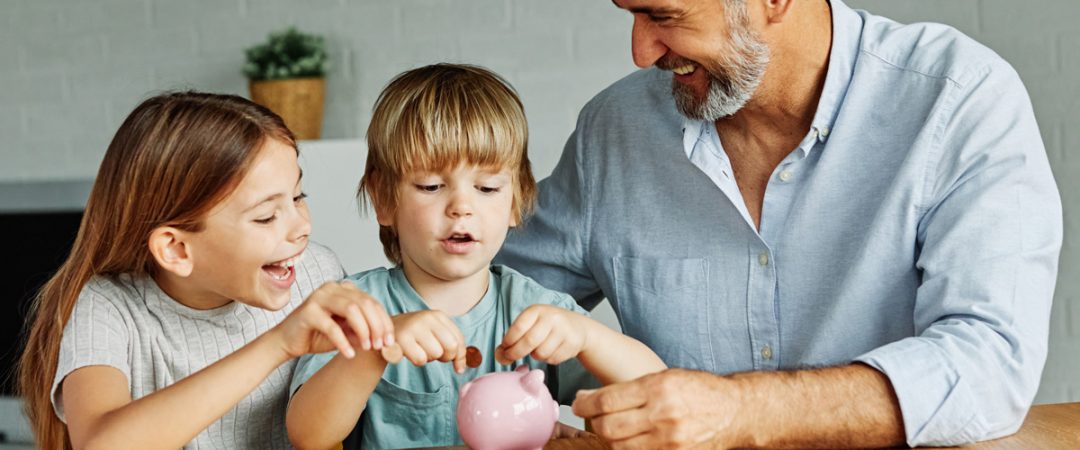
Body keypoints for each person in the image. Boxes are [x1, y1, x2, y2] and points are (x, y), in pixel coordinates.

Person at [496, 0, 1063, 448]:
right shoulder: (614, 129)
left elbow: (990, 362)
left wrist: (740, 412)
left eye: (663, 16)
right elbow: (488, 308)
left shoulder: (959, 99)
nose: (642, 51)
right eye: (632, 14)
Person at [286, 63, 666, 450]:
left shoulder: (534, 309)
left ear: (517, 200)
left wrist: (588, 337)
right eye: (431, 186)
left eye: (486, 188)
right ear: (384, 199)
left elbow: (658, 393)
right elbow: (307, 435)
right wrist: (373, 353)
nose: (461, 207)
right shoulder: (357, 310)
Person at [18, 92, 395, 450]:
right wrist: (280, 343)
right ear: (177, 249)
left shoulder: (315, 271)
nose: (301, 228)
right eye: (265, 217)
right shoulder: (109, 307)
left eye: (298, 197)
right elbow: (101, 443)